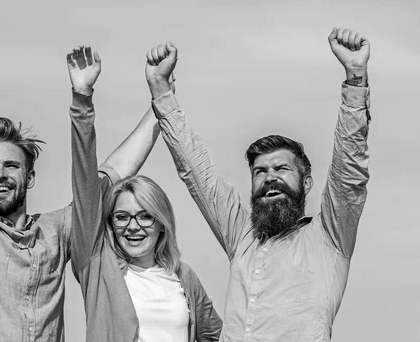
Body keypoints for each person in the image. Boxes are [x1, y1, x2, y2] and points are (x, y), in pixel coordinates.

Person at [0, 0, 159, 341]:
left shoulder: (54, 232)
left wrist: (162, 104)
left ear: (29, 177)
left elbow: (111, 174)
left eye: (11, 166)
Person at [143, 28, 371, 341]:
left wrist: (355, 79)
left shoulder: (330, 238)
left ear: (306, 182)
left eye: (281, 168)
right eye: (260, 171)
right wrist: (161, 92)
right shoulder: (241, 236)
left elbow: (349, 172)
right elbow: (197, 173)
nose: (269, 177)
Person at [67, 45, 222, 341]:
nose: (133, 227)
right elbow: (86, 186)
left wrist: (162, 95)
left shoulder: (184, 278)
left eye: (145, 216)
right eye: (122, 217)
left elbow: (215, 335)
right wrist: (82, 102)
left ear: (162, 223)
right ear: (110, 223)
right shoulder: (98, 267)